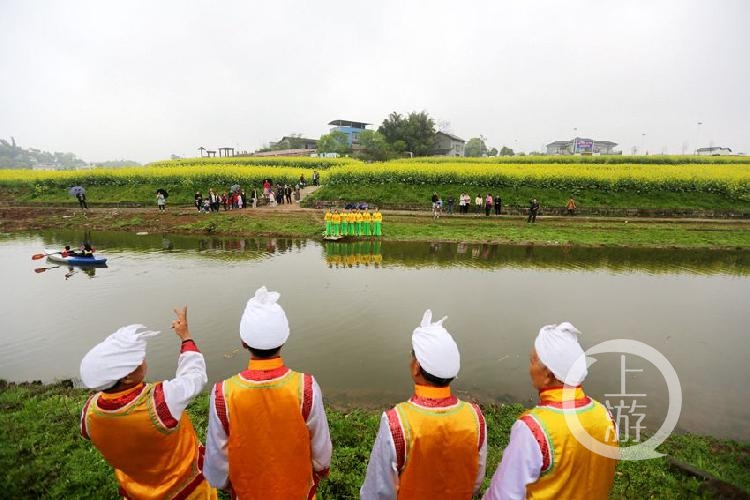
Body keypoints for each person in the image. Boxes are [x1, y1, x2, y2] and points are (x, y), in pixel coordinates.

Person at [204, 286, 332, 498]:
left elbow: (217, 458)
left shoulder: (224, 393)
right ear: (284, 338)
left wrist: (226, 483)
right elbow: (321, 447)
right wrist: (320, 468)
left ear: (243, 343)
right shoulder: (305, 387)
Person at [79, 308, 216, 499]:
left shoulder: (89, 412)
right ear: (127, 377)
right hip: (185, 490)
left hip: (138, 491)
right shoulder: (159, 402)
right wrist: (185, 337)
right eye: (138, 359)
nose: (144, 359)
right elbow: (194, 376)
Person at [361, 310, 487, 499]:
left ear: (416, 367)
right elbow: (476, 479)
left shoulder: (398, 423)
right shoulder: (475, 418)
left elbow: (377, 491)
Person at [483, 322, 618, 499]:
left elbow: (503, 495)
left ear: (548, 374)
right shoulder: (605, 416)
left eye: (532, 361)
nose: (529, 368)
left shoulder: (534, 429)